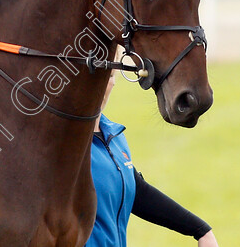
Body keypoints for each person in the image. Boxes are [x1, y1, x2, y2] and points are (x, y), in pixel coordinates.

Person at [87, 75, 219, 247]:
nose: (109, 81)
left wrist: (201, 230)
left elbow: (137, 191)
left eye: (111, 75)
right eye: (101, 74)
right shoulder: (64, 144)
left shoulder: (113, 135)